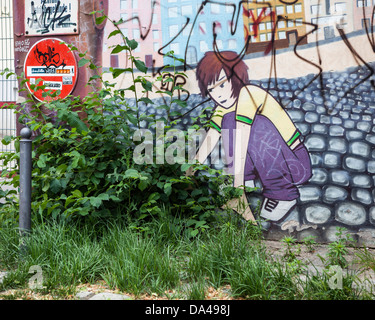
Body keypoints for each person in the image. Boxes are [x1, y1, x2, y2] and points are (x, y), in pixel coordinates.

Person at [191, 50, 312, 226]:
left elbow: (241, 137)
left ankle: (282, 193)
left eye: (222, 85)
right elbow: (211, 138)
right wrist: (190, 170)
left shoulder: (248, 93)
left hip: (294, 164)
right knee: (229, 120)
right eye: (211, 89)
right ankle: (247, 181)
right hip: (266, 165)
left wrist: (237, 188)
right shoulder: (222, 109)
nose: (217, 94)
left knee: (252, 124)